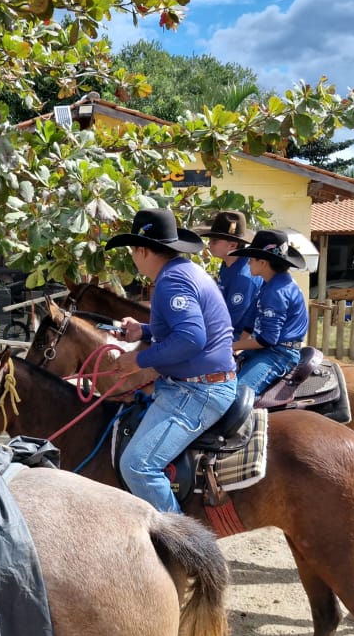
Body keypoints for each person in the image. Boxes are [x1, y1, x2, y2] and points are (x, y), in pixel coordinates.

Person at [105, 208, 238, 514]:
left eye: (132, 251)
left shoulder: (171, 282)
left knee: (138, 466)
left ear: (142, 250)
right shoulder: (183, 271)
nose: (133, 257)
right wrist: (144, 331)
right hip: (199, 383)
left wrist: (139, 360)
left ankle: (181, 538)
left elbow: (191, 339)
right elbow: (187, 328)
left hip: (198, 391)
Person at [229, 229, 310, 395]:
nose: (248, 263)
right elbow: (250, 320)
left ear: (263, 263)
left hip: (279, 353)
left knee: (237, 394)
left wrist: (232, 346)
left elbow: (268, 339)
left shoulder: (276, 292)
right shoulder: (272, 283)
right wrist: (236, 348)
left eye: (251, 259)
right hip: (268, 348)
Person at [198, 210, 262, 339]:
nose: (209, 243)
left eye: (214, 240)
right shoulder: (228, 263)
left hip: (240, 336)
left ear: (232, 245)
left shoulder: (243, 277)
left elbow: (230, 320)